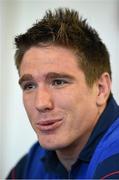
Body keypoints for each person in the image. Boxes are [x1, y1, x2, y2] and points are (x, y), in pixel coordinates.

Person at [7, 8, 119, 179]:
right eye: (29, 86)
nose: (41, 103)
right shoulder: (35, 159)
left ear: (101, 89)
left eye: (58, 82)